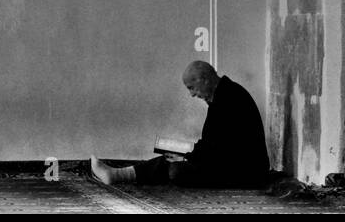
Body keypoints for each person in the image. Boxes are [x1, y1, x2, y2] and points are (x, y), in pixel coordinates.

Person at [91, 61, 270, 188]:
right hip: (236, 166)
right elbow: (217, 146)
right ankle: (118, 175)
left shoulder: (229, 99)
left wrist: (188, 156)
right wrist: (189, 154)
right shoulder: (225, 94)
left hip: (245, 173)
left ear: (205, 80)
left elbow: (219, 151)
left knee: (175, 171)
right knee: (173, 160)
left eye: (191, 88)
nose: (192, 95)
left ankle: (118, 175)